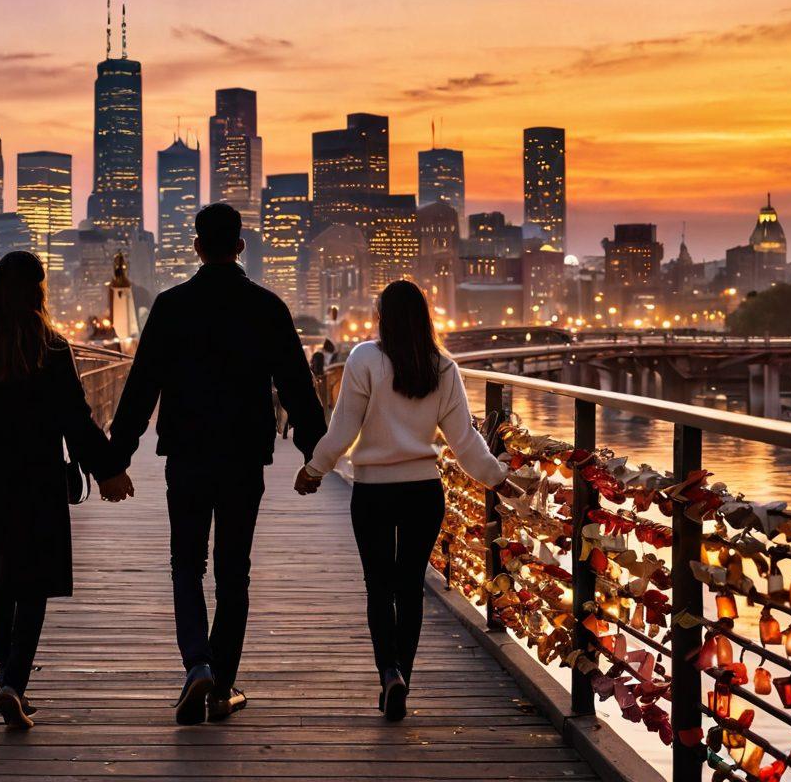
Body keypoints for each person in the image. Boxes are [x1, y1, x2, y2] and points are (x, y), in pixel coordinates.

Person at [101, 203, 327, 725]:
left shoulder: (171, 306)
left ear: (198, 248)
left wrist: (116, 459)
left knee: (186, 563)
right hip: (244, 456)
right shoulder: (267, 307)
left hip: (187, 454)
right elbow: (298, 387)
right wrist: (316, 457)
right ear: (240, 246)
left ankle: (197, 664)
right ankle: (222, 685)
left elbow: (141, 388)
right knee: (233, 569)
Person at [294, 280, 517, 722]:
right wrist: (497, 478)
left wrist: (315, 468)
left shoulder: (364, 359)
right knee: (410, 586)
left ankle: (389, 673)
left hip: (373, 492)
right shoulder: (443, 367)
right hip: (423, 492)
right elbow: (464, 440)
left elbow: (344, 428)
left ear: (382, 318)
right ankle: (404, 679)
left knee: (379, 587)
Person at [0, 251, 133, 730]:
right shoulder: (52, 347)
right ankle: (14, 681)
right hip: (37, 477)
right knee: (34, 581)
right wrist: (109, 470)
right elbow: (76, 420)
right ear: (39, 291)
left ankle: (7, 670)